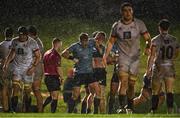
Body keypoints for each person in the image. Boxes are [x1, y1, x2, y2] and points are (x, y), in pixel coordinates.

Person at [103, 2, 151, 113]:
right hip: (122, 58)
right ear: (122, 12)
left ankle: (130, 107)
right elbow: (110, 42)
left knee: (131, 85)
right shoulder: (117, 26)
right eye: (125, 10)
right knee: (123, 81)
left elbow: (148, 38)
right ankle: (122, 107)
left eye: (130, 10)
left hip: (135, 58)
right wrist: (105, 56)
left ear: (132, 11)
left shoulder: (139, 24)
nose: (128, 12)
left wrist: (148, 47)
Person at [3, 26, 41, 112]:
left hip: (28, 69)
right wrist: (6, 63)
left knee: (27, 91)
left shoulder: (32, 42)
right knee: (15, 87)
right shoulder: (14, 41)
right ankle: (14, 111)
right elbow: (11, 53)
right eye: (20, 35)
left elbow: (38, 56)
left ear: (26, 35)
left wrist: (33, 67)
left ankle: (26, 110)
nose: (21, 37)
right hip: (17, 68)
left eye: (23, 35)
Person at [62, 33, 101, 114]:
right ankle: (69, 112)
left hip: (89, 73)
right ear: (80, 41)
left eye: (85, 41)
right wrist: (72, 58)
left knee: (97, 90)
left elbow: (98, 47)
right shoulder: (75, 46)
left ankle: (96, 112)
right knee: (75, 95)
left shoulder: (91, 44)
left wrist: (97, 46)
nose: (84, 43)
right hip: (79, 73)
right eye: (82, 42)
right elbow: (63, 53)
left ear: (87, 40)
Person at [146, 19, 180, 113]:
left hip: (158, 67)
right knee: (169, 91)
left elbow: (152, 56)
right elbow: (177, 53)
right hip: (169, 67)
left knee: (155, 92)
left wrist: (148, 70)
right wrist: (170, 59)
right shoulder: (174, 39)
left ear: (159, 28)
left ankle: (153, 111)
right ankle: (170, 111)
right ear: (168, 28)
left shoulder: (155, 40)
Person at [43, 38, 63, 113]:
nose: (61, 46)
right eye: (60, 44)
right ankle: (53, 114)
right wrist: (62, 78)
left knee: (51, 96)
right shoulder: (56, 55)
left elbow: (43, 65)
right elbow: (58, 68)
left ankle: (41, 107)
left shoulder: (46, 53)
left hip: (47, 77)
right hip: (53, 77)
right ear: (56, 44)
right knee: (55, 97)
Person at [28, 25, 44, 112]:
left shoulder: (36, 43)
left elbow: (37, 57)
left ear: (30, 33)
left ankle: (40, 110)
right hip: (36, 67)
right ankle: (38, 109)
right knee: (34, 89)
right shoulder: (36, 41)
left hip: (36, 67)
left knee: (36, 89)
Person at [0, 27, 14, 112]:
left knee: (4, 88)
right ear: (13, 35)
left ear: (4, 35)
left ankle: (5, 108)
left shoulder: (1, 45)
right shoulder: (16, 44)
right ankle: (12, 107)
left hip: (4, 69)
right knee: (13, 88)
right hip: (14, 68)